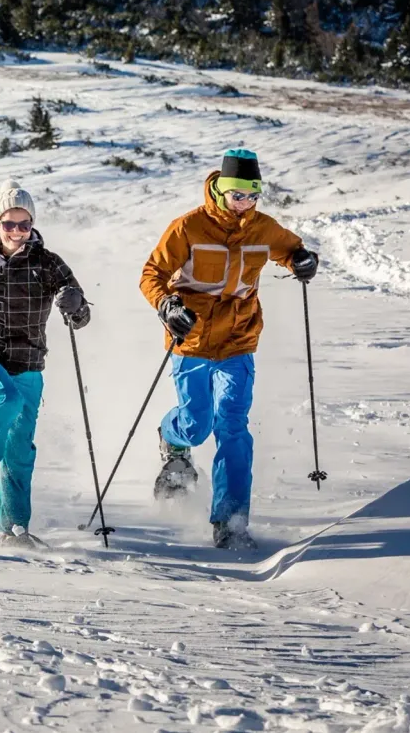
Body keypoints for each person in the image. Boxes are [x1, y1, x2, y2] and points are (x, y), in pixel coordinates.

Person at [140, 148, 318, 550]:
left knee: (232, 426)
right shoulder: (188, 227)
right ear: (220, 191)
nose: (245, 205)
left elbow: (293, 250)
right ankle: (173, 439)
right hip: (193, 339)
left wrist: (304, 261)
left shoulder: (262, 228)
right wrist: (167, 305)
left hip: (239, 341)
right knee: (196, 423)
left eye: (253, 196)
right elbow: (152, 274)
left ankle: (231, 520)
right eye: (238, 196)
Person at [0, 179, 90, 548]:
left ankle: (12, 527)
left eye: (24, 224)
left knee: (20, 447)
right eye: (10, 224)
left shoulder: (48, 263)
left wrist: (75, 305)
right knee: (5, 399)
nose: (17, 232)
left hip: (28, 362)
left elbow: (79, 314)